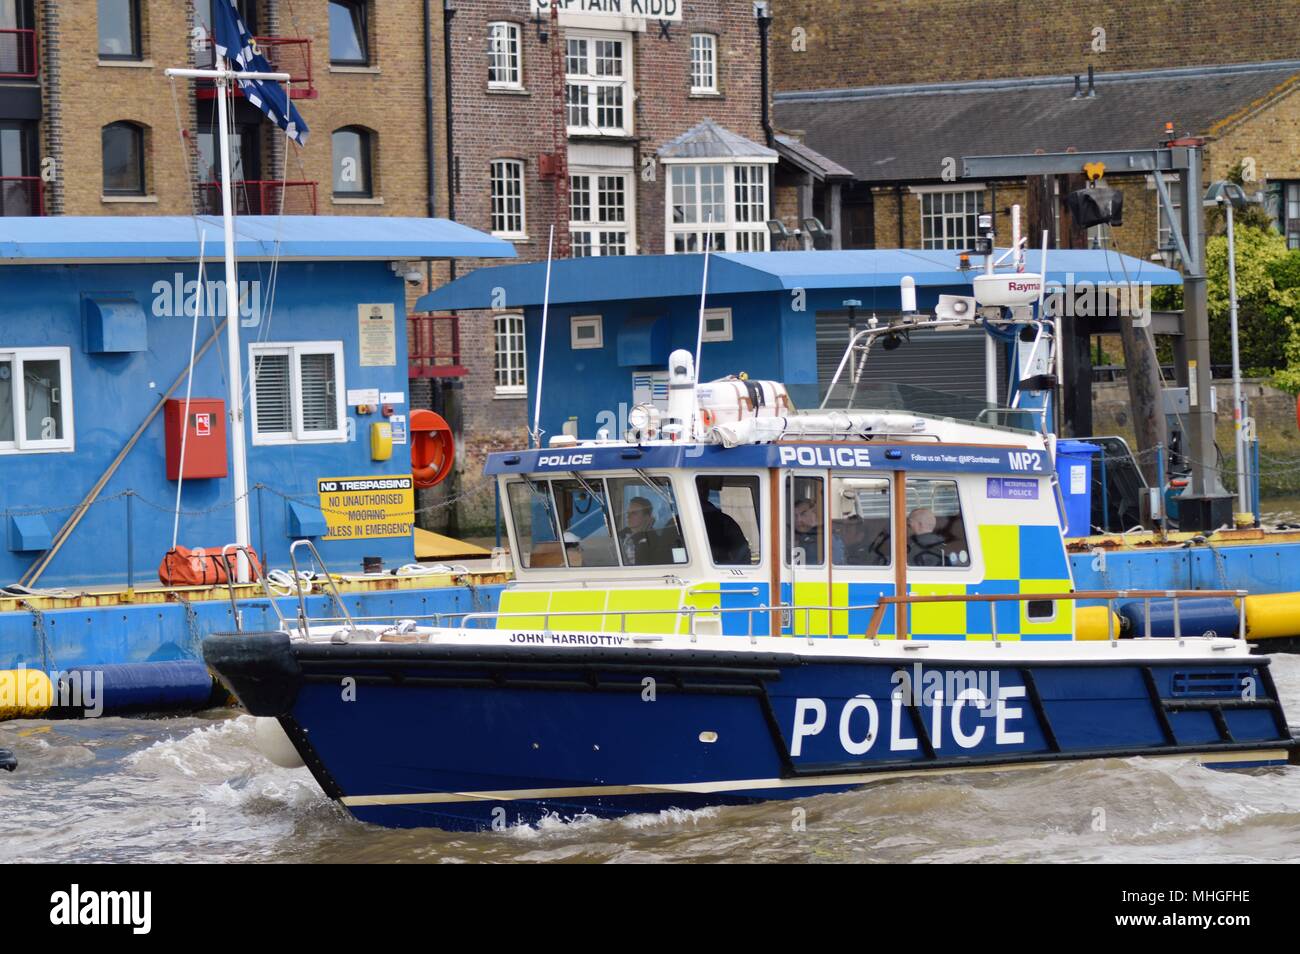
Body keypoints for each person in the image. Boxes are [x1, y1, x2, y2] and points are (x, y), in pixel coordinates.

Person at [698, 479, 751, 564]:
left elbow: (742, 555)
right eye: (700, 487)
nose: (701, 491)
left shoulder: (725, 522)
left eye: (702, 487)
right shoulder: (725, 521)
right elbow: (743, 558)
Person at [620, 496, 665, 565]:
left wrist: (641, 535)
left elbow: (643, 564)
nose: (628, 516)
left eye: (634, 513)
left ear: (646, 517)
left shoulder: (654, 541)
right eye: (628, 512)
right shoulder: (620, 536)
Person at [790, 498, 823, 565]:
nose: (799, 520)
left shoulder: (825, 538)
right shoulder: (787, 537)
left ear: (814, 514)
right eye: (795, 516)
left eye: (803, 514)